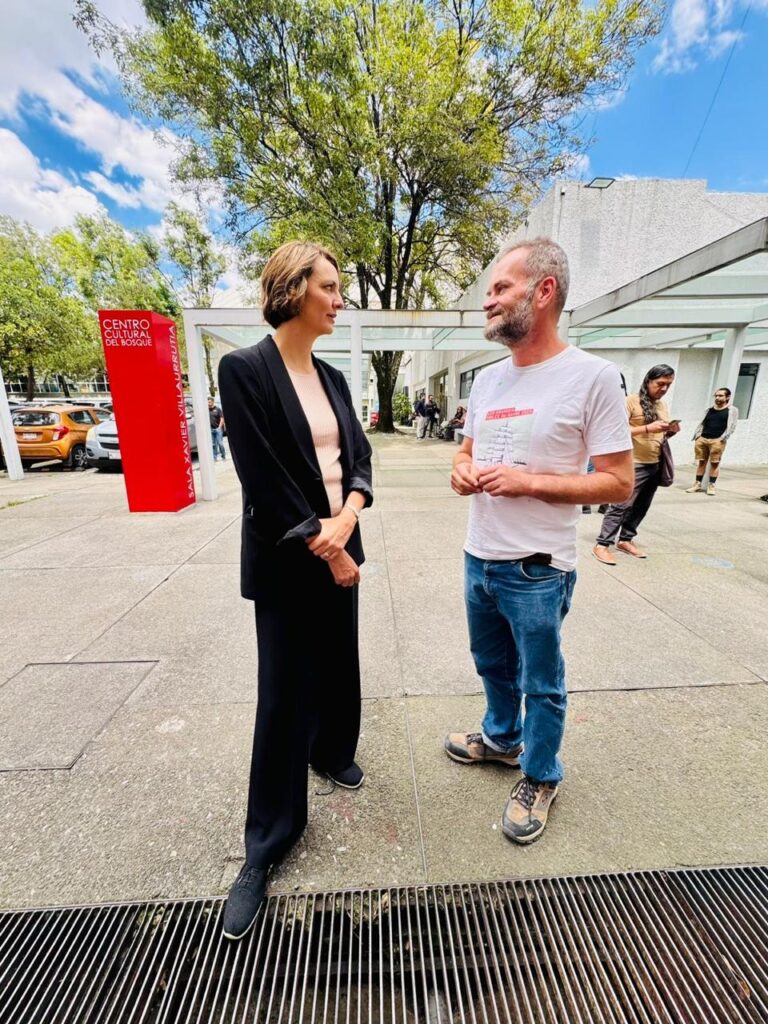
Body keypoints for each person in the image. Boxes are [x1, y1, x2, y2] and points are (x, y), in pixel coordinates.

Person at [445, 238, 633, 844]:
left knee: (541, 683)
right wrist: (460, 469)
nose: (488, 301)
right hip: (479, 555)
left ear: (544, 291)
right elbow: (467, 452)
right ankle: (502, 739)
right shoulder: (487, 381)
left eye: (500, 288)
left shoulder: (593, 377)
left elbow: (619, 482)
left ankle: (541, 773)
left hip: (538, 568)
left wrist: (530, 483)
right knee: (490, 664)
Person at [217, 241, 373, 940]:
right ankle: (266, 845)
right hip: (290, 558)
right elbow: (263, 477)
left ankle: (331, 752)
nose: (339, 299)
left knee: (339, 662)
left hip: (342, 538)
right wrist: (326, 545)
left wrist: (349, 517)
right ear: (292, 290)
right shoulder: (245, 369)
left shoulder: (333, 376)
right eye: (329, 287)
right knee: (282, 694)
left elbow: (358, 457)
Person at [593, 365, 681, 564]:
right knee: (620, 505)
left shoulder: (662, 405)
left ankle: (625, 539)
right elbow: (615, 431)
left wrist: (670, 431)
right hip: (632, 463)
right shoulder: (630, 402)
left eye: (668, 385)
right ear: (648, 381)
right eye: (660, 384)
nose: (664, 389)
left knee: (642, 506)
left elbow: (659, 434)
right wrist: (648, 428)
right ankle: (602, 544)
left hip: (654, 462)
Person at [686, 386, 739, 495]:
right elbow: (702, 423)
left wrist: (723, 438)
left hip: (717, 440)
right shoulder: (709, 410)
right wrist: (698, 436)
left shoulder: (732, 410)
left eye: (720, 396)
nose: (717, 398)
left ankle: (711, 486)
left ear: (727, 397)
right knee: (701, 462)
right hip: (702, 439)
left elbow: (732, 426)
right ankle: (697, 484)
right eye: (716, 395)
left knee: (715, 463)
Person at [208, 396, 226, 460]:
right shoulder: (206, 410)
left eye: (210, 402)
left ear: (213, 402)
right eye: (208, 402)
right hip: (211, 429)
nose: (208, 403)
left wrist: (219, 427)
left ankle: (223, 455)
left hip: (218, 429)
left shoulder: (218, 409)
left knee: (220, 443)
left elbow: (222, 418)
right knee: (213, 444)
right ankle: (214, 457)